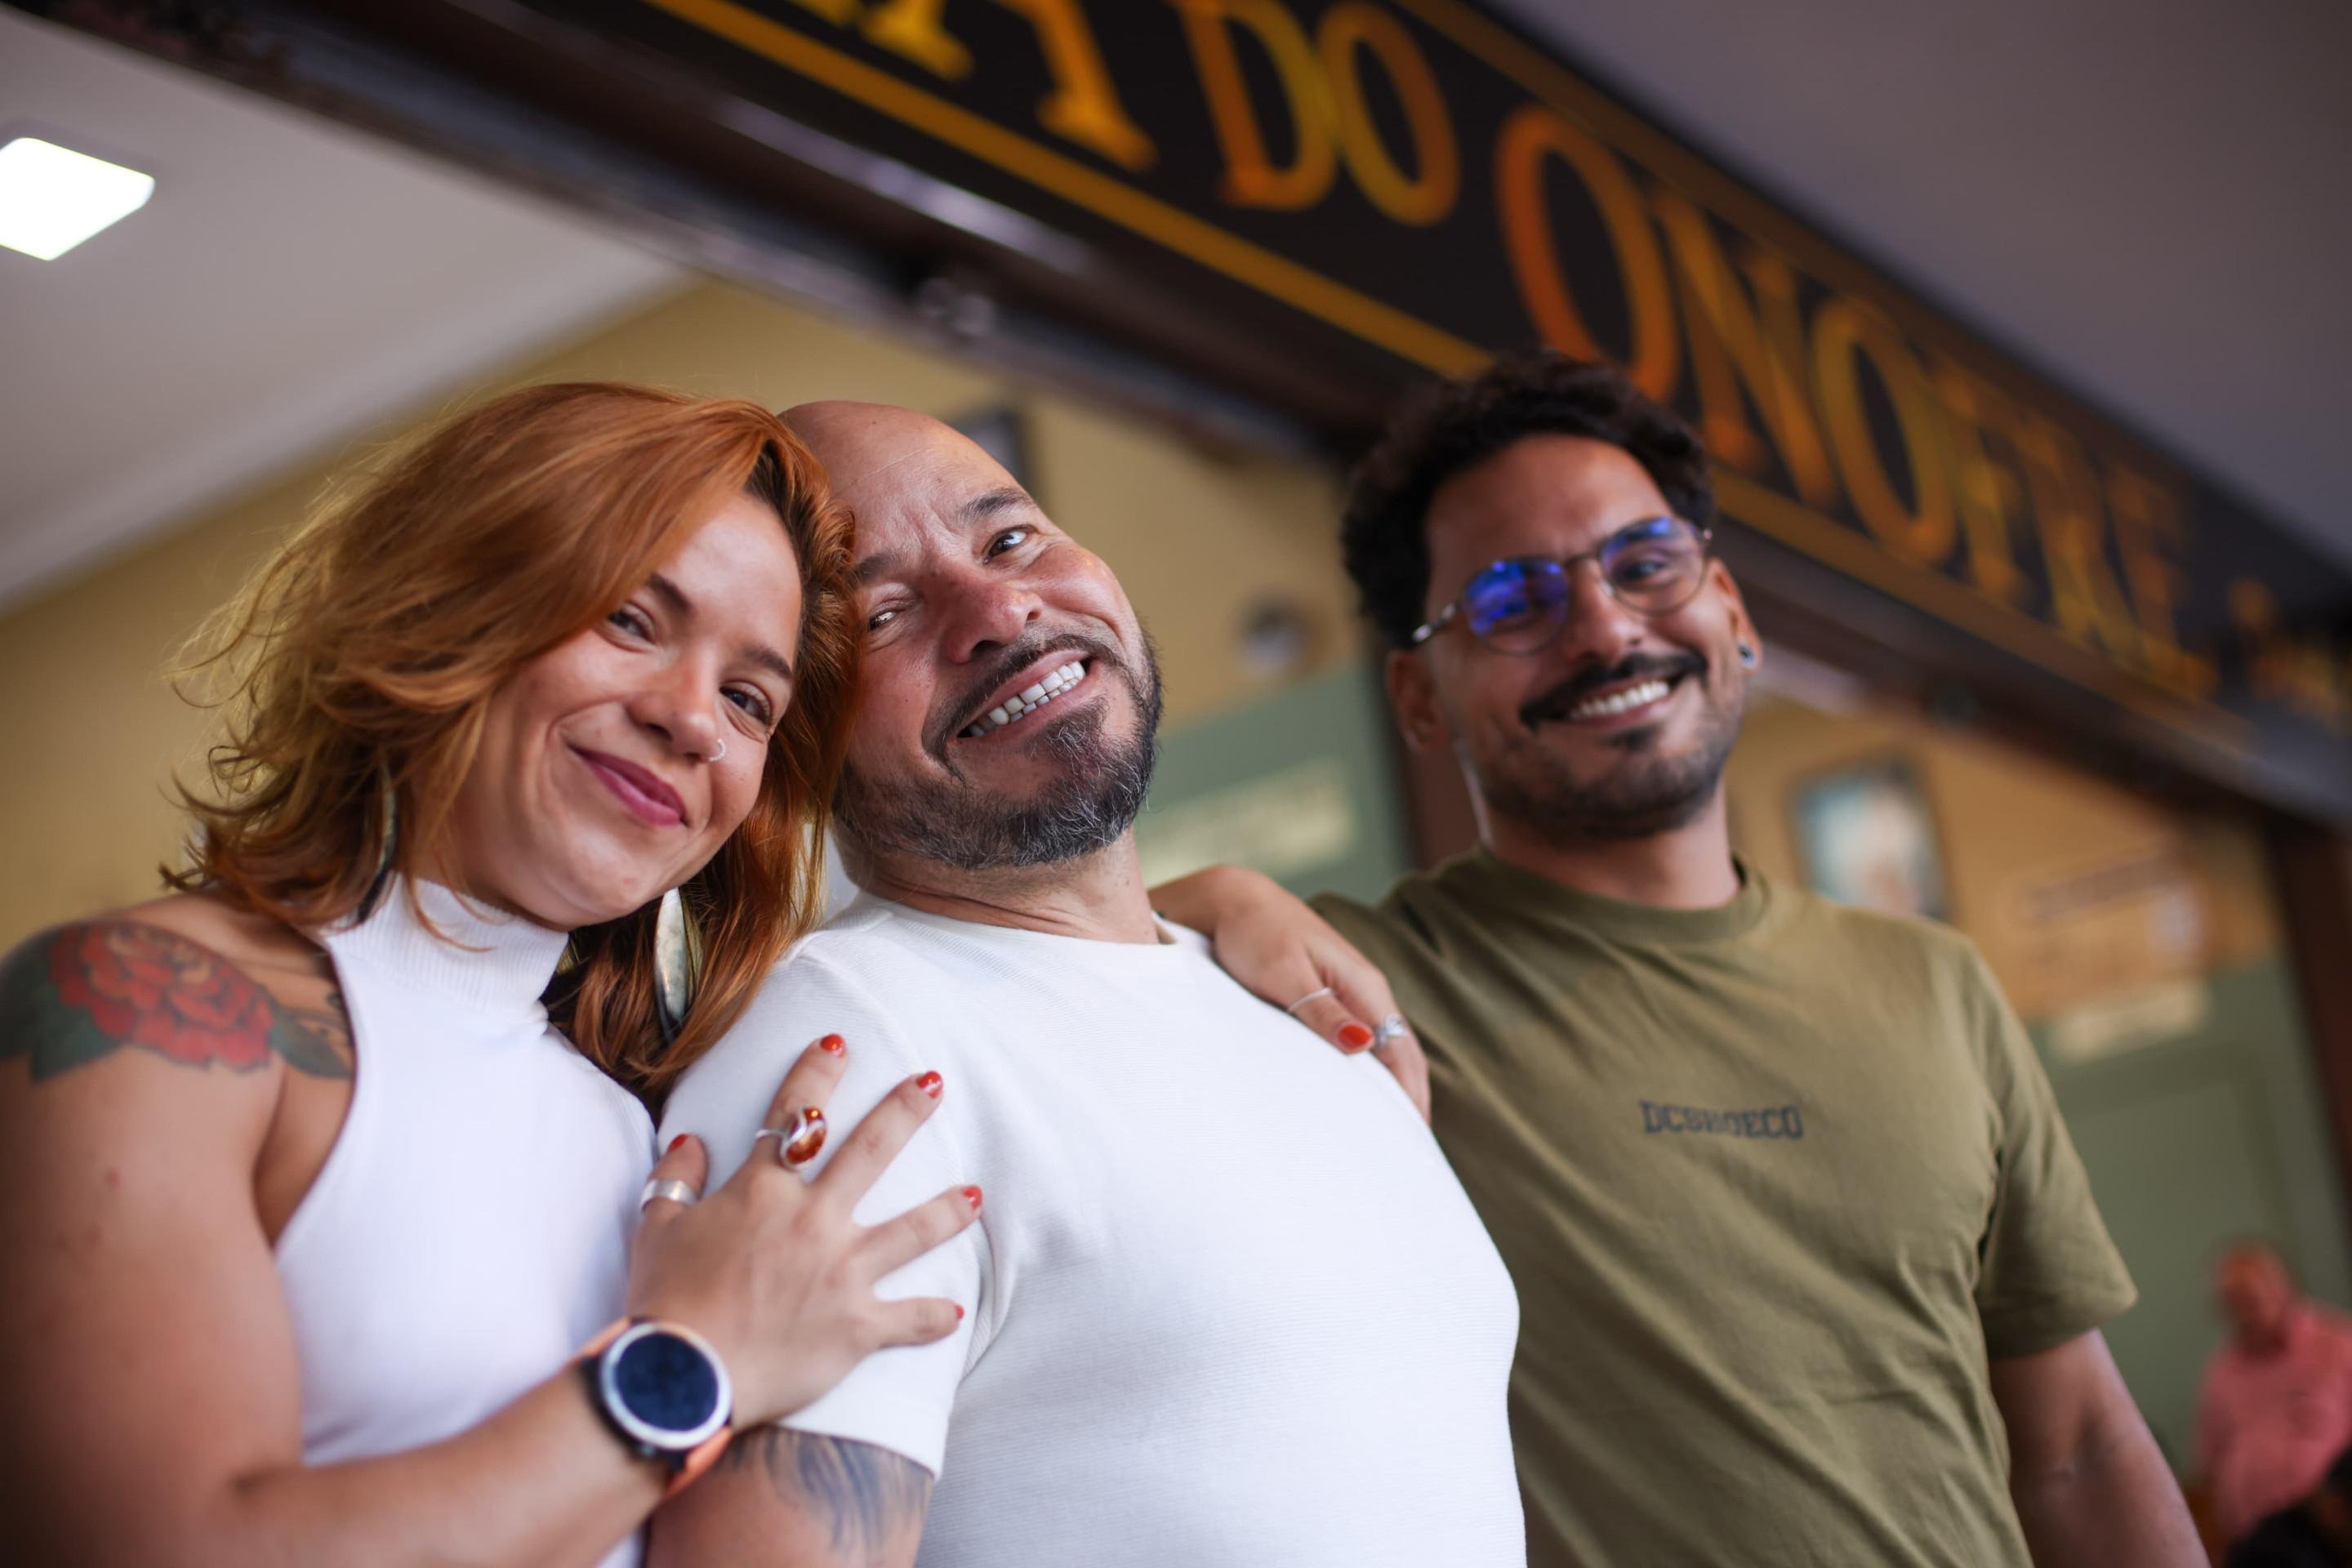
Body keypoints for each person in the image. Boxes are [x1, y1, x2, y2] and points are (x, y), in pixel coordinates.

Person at [1154, 352, 2203, 1567]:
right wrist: (1211, 897)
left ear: (1734, 615)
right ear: (1420, 700)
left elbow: (2077, 1444)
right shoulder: (1360, 994)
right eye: (1510, 602)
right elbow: (1043, 981)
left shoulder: (1936, 982)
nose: (1604, 626)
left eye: (1645, 563)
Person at [0, 382, 980, 1566]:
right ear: (455, 593)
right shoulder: (146, 1010)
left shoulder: (643, 1129)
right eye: (632, 619)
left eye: (747, 698)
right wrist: (692, 1364)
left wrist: (1191, 923)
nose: (692, 723)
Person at [649, 401, 1525, 1568]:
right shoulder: (850, 1052)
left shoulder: (1276, 995)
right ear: (793, 741)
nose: (1001, 611)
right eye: (885, 614)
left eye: (1009, 539)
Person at [2198, 1241, 2352, 1552]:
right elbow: (2210, 1462)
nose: (2245, 1308)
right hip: (2249, 1540)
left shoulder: (2339, 1346)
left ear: (2286, 1287)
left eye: (2253, 1295)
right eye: (2234, 1299)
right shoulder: (2221, 1370)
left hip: (2323, 1537)